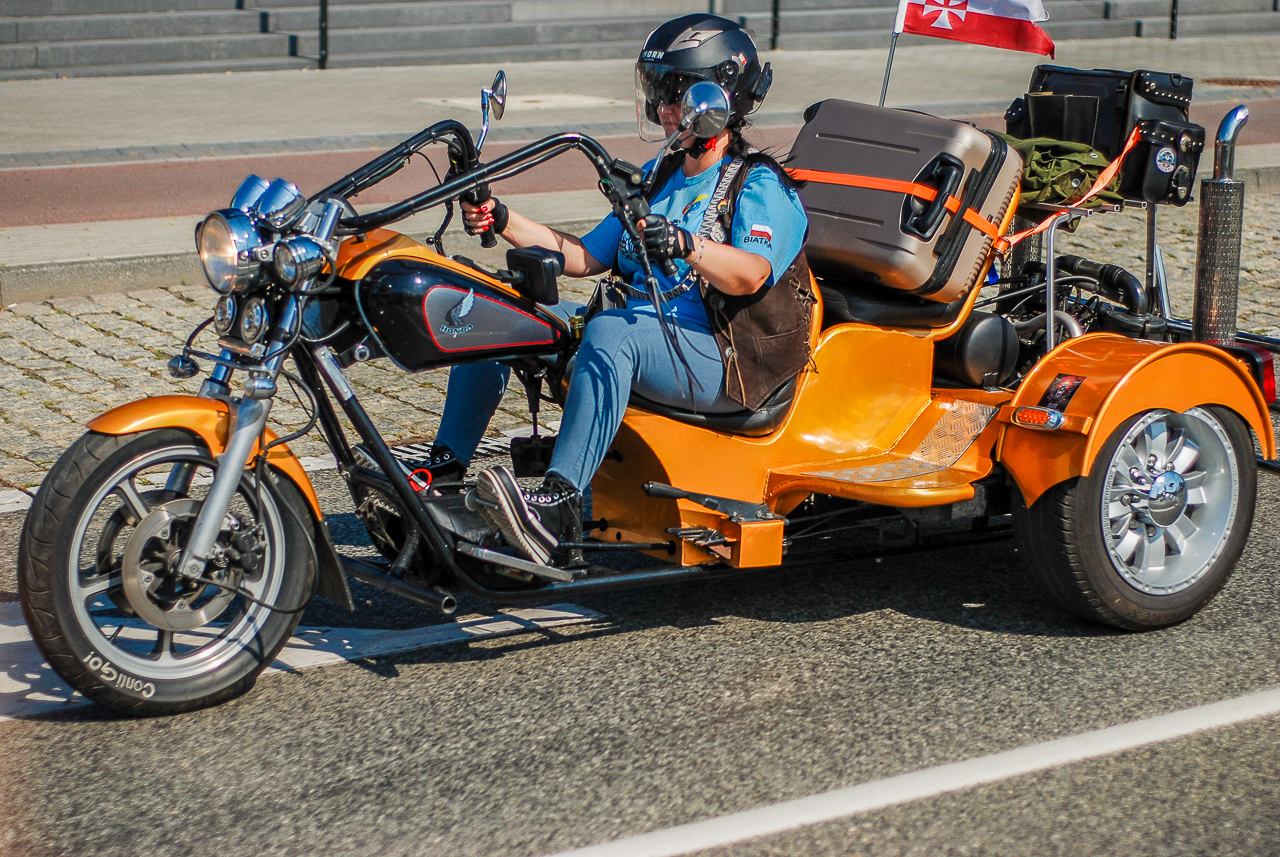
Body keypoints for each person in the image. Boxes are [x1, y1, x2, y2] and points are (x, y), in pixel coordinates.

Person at [443, 13, 812, 565]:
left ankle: (556, 506)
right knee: (501, 313)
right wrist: (501, 217)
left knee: (613, 331)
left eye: (672, 94)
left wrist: (686, 243)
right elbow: (585, 256)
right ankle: (441, 475)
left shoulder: (760, 184)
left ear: (716, 99)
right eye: (657, 93)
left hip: (726, 358)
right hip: (653, 335)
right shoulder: (662, 174)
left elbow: (751, 273)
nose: (661, 109)